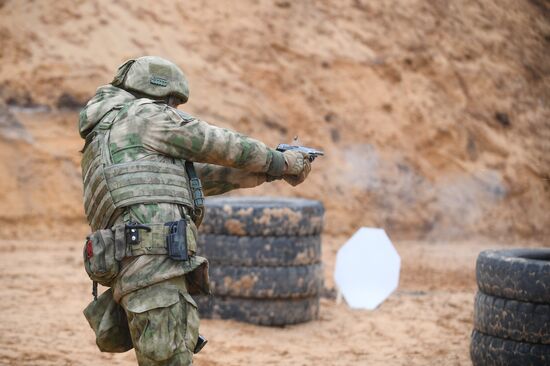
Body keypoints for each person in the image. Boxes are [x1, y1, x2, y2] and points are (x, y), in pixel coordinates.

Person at [79, 56, 312, 365]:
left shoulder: (107, 138)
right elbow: (216, 143)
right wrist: (279, 161)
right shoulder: (145, 116)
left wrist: (271, 172)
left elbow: (189, 181)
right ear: (157, 94)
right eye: (172, 103)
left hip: (134, 268)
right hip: (155, 267)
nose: (173, 110)